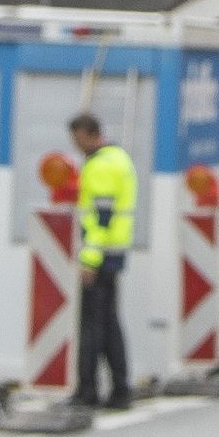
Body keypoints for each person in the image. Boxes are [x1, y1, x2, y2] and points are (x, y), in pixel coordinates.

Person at [69, 111, 139, 412]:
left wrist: (89, 259)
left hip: (100, 256)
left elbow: (100, 216)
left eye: (76, 139)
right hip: (115, 253)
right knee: (110, 324)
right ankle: (120, 389)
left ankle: (87, 390)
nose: (75, 145)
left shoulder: (99, 166)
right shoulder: (120, 159)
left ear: (87, 134)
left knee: (92, 327)